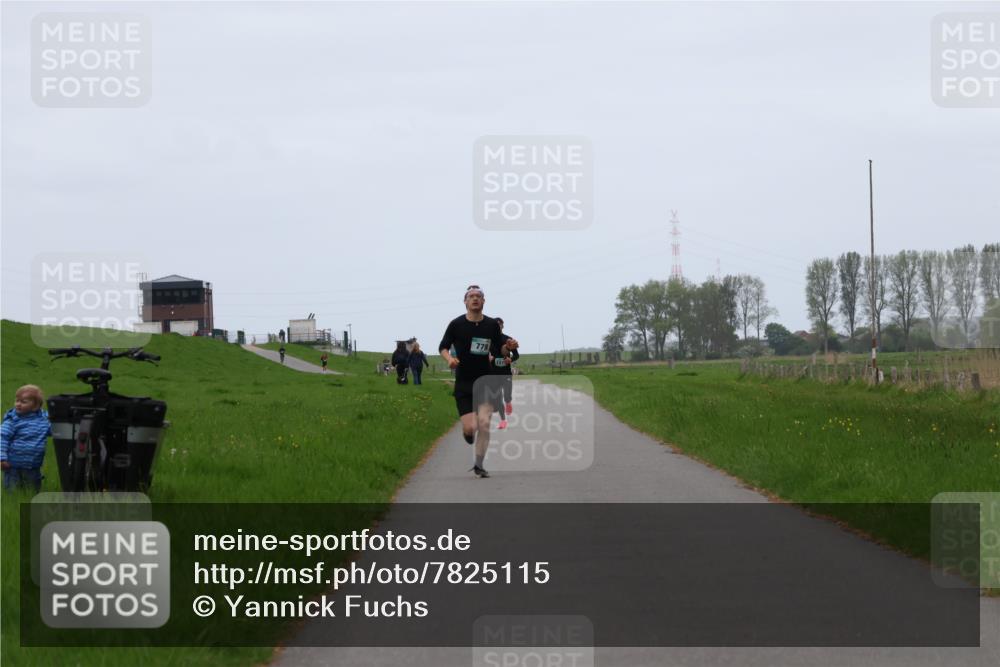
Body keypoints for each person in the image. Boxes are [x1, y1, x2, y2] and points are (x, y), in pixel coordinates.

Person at [439, 285, 518, 478]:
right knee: (470, 427)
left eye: (479, 296)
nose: (475, 299)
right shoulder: (456, 324)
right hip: (464, 382)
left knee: (484, 423)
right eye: (471, 296)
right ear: (465, 302)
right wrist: (449, 359)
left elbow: (501, 350)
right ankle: (467, 433)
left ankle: (479, 464)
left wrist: (509, 347)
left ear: (483, 301)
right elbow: (443, 347)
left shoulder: (491, 325)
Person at [1, 385, 52, 493]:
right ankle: (13, 504)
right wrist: (2, 458)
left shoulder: (44, 420)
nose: (18, 404)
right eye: (17, 400)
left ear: (36, 406)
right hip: (13, 465)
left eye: (23, 402)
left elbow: (54, 431)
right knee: (13, 491)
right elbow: (2, 438)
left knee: (33, 490)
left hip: (33, 464)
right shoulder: (12, 420)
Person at [490, 317, 520, 429]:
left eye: (499, 325)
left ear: (503, 326)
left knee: (507, 395)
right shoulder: (488, 340)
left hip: (506, 373)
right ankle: (503, 420)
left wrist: (510, 360)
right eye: (495, 325)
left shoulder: (508, 339)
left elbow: (517, 355)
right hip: (493, 373)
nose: (497, 327)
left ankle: (508, 402)